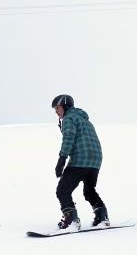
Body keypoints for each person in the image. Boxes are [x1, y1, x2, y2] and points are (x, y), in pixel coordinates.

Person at [51, 94, 110, 230]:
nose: (56, 111)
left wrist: (61, 160)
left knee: (62, 190)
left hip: (80, 160)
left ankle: (71, 219)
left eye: (58, 108)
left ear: (65, 106)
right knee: (89, 191)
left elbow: (69, 138)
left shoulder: (69, 118)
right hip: (95, 161)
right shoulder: (85, 120)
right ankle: (102, 216)